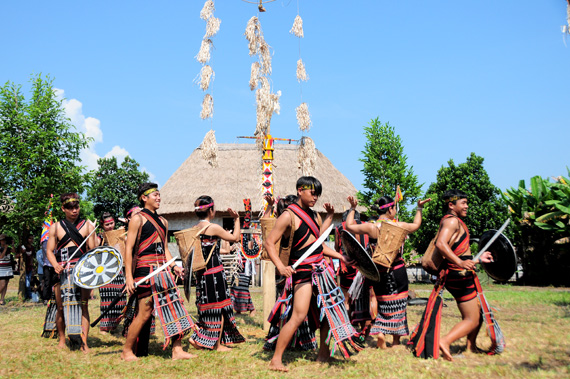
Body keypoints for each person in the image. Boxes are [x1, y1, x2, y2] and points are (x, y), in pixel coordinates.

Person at [265, 176, 363, 372]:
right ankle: (276, 359)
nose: (315, 197)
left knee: (328, 313)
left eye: (318, 193)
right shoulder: (288, 215)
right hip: (302, 272)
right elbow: (269, 242)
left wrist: (340, 257)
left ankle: (323, 355)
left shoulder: (315, 216)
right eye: (312, 192)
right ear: (300, 190)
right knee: (298, 316)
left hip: (322, 271)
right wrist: (281, 266)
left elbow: (317, 246)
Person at [409, 189, 493, 361]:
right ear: (451, 205)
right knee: (472, 318)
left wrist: (477, 259)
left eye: (467, 203)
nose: (467, 206)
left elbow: (461, 251)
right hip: (459, 274)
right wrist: (460, 263)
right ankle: (445, 342)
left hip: (459, 272)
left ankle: (470, 346)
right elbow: (441, 243)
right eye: (463, 203)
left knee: (475, 310)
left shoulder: (455, 221)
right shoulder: (452, 221)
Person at [121, 183, 195, 361]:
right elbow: (129, 249)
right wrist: (129, 277)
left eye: (159, 194)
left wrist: (174, 266)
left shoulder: (164, 222)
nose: (158, 197)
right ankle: (127, 350)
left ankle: (177, 350)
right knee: (145, 312)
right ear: (144, 198)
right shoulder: (137, 219)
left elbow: (164, 249)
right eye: (155, 195)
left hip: (163, 271)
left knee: (174, 308)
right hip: (144, 270)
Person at [346, 195, 431, 349]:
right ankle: (396, 341)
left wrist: (352, 208)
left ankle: (380, 333)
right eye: (394, 209)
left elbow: (349, 226)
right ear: (390, 209)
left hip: (379, 273)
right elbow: (417, 224)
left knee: (383, 305)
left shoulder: (371, 227)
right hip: (397, 270)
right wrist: (419, 208)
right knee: (398, 306)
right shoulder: (399, 226)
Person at [188, 195, 246, 351]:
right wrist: (237, 219)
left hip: (202, 275)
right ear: (211, 211)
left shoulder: (194, 228)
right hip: (215, 274)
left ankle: (199, 339)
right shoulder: (212, 228)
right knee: (219, 307)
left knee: (206, 307)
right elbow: (234, 238)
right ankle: (217, 345)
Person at [262, 194, 318, 352]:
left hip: (293, 271)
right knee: (287, 309)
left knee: (295, 310)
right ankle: (281, 343)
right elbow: (268, 236)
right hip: (286, 272)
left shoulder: (295, 223)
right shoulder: (284, 222)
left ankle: (297, 341)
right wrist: (269, 207)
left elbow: (317, 239)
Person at [45, 193, 97, 352]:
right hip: (62, 271)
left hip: (82, 271)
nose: (75, 210)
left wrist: (93, 232)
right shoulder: (55, 227)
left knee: (84, 305)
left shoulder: (87, 226)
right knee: (61, 307)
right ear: (63, 208)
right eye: (70, 208)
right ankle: (62, 338)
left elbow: (93, 251)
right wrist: (55, 265)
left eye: (77, 207)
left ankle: (84, 342)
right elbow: (49, 251)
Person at [335, 209, 373, 334]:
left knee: (346, 298)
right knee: (366, 298)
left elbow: (337, 248)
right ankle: (366, 328)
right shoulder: (366, 226)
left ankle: (346, 326)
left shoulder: (340, 227)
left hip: (348, 266)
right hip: (364, 267)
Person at [98, 212, 127, 334]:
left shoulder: (121, 234)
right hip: (105, 270)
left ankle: (115, 325)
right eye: (107, 224)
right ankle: (105, 326)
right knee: (107, 298)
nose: (110, 226)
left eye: (112, 223)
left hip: (119, 269)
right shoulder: (100, 237)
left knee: (121, 298)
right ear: (102, 225)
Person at [0, 234, 13, 305]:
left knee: (6, 284)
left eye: (4, 240)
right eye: (2, 240)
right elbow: (1, 257)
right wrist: (5, 249)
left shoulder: (8, 248)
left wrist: (12, 245)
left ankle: (2, 299)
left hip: (8, 267)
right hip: (1, 268)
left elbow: (14, 252)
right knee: (2, 284)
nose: (3, 241)